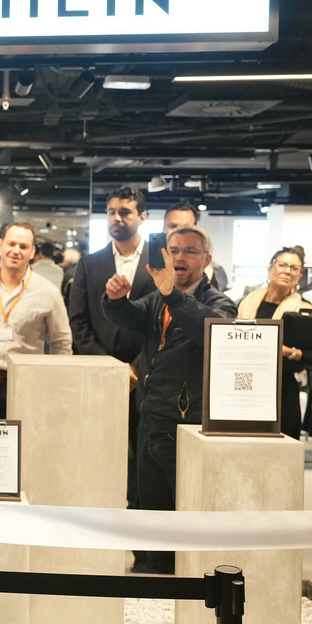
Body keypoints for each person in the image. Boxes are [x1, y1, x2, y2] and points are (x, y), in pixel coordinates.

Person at [102, 224, 237, 574]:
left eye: (190, 251)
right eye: (173, 249)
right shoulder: (157, 297)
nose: (179, 256)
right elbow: (129, 317)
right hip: (149, 422)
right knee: (149, 512)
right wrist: (115, 299)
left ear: (207, 259)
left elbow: (213, 332)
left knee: (183, 515)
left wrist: (173, 296)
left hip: (186, 429)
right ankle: (151, 573)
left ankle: (180, 580)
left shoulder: (218, 302)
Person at [68, 187, 155, 569]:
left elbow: (161, 324)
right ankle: (93, 547)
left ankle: (142, 550)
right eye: (111, 211)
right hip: (100, 378)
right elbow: (78, 323)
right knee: (96, 460)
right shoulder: (90, 264)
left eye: (125, 212)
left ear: (142, 217)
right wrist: (111, 367)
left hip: (147, 379)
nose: (117, 218)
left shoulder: (159, 261)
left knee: (143, 468)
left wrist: (137, 367)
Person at [0, 221, 72, 420]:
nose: (16, 251)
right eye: (11, 244)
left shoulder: (48, 292)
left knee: (27, 440)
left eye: (23, 246)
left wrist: (56, 382)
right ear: (0, 245)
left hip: (28, 383)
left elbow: (61, 342)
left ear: (32, 252)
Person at [235, 248, 312, 440]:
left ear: (299, 276)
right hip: (244, 386)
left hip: (282, 392)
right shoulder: (246, 303)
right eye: (282, 265)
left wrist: (291, 352)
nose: (287, 271)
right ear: (270, 269)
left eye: (294, 268)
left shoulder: (305, 311)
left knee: (280, 450)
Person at [164, 201, 228, 291]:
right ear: (164, 227)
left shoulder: (214, 272)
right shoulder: (149, 264)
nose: (179, 232)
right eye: (173, 226)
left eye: (185, 227)